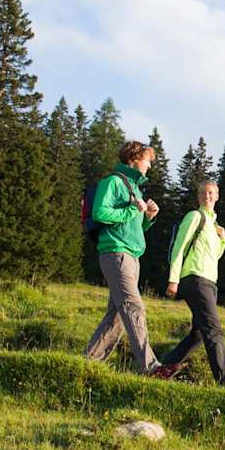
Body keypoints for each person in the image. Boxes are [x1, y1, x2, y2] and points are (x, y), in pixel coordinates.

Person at [83, 141, 164, 375]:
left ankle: (89, 364)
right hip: (116, 253)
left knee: (117, 316)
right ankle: (151, 367)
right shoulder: (113, 182)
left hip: (130, 255)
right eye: (147, 159)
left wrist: (147, 217)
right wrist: (132, 210)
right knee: (133, 306)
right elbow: (100, 212)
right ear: (134, 159)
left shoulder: (135, 189)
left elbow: (130, 228)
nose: (149, 165)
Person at [150, 179, 225, 387]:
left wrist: (223, 240)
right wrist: (173, 279)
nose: (206, 196)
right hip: (194, 279)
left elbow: (214, 255)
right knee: (214, 331)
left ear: (216, 197)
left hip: (209, 282)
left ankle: (162, 369)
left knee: (198, 334)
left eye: (210, 193)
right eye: (203, 193)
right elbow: (180, 247)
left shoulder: (214, 226)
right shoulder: (194, 217)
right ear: (198, 197)